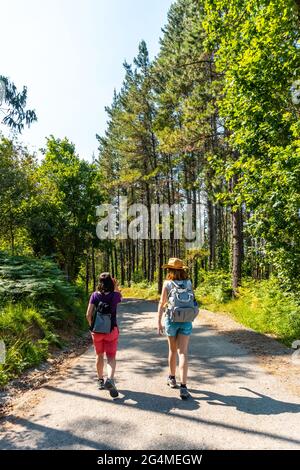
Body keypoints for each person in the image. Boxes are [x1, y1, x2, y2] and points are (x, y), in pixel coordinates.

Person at [157, 258, 195, 400]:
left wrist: (158, 321)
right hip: (186, 320)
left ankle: (172, 378)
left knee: (172, 350)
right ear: (182, 270)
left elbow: (162, 303)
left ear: (170, 270)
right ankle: (184, 387)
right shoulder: (189, 283)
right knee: (183, 352)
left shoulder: (167, 284)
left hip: (171, 319)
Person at [86, 272, 122, 398]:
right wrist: (115, 285)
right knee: (111, 357)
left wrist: (92, 328)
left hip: (97, 332)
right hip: (111, 330)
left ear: (99, 282)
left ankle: (100, 380)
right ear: (111, 282)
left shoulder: (94, 295)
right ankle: (110, 379)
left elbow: (88, 314)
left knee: (99, 355)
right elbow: (119, 295)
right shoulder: (115, 295)